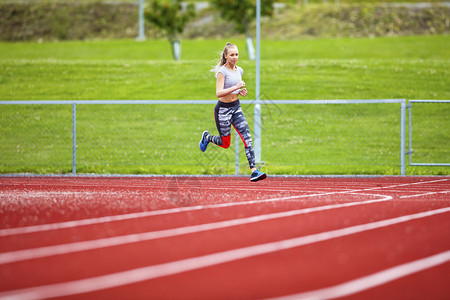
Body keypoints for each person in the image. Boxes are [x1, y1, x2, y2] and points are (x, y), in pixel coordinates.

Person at [199, 42, 266, 182]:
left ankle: (254, 171)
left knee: (247, 137)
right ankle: (207, 137)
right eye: (232, 55)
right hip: (222, 110)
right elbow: (219, 93)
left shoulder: (239, 70)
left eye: (237, 54)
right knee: (225, 143)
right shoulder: (222, 72)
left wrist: (239, 91)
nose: (235, 57)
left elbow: (233, 89)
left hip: (236, 108)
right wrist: (236, 86)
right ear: (225, 56)